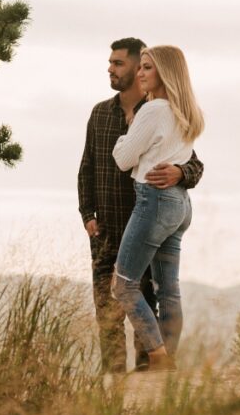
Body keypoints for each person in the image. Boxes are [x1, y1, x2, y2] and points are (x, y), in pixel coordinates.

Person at [78, 38, 204, 374]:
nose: (111, 68)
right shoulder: (104, 113)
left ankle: (156, 362)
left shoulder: (152, 111)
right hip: (124, 222)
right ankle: (124, 378)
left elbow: (125, 159)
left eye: (120, 63)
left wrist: (179, 171)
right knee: (160, 291)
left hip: (149, 211)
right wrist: (86, 213)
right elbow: (87, 166)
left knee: (127, 289)